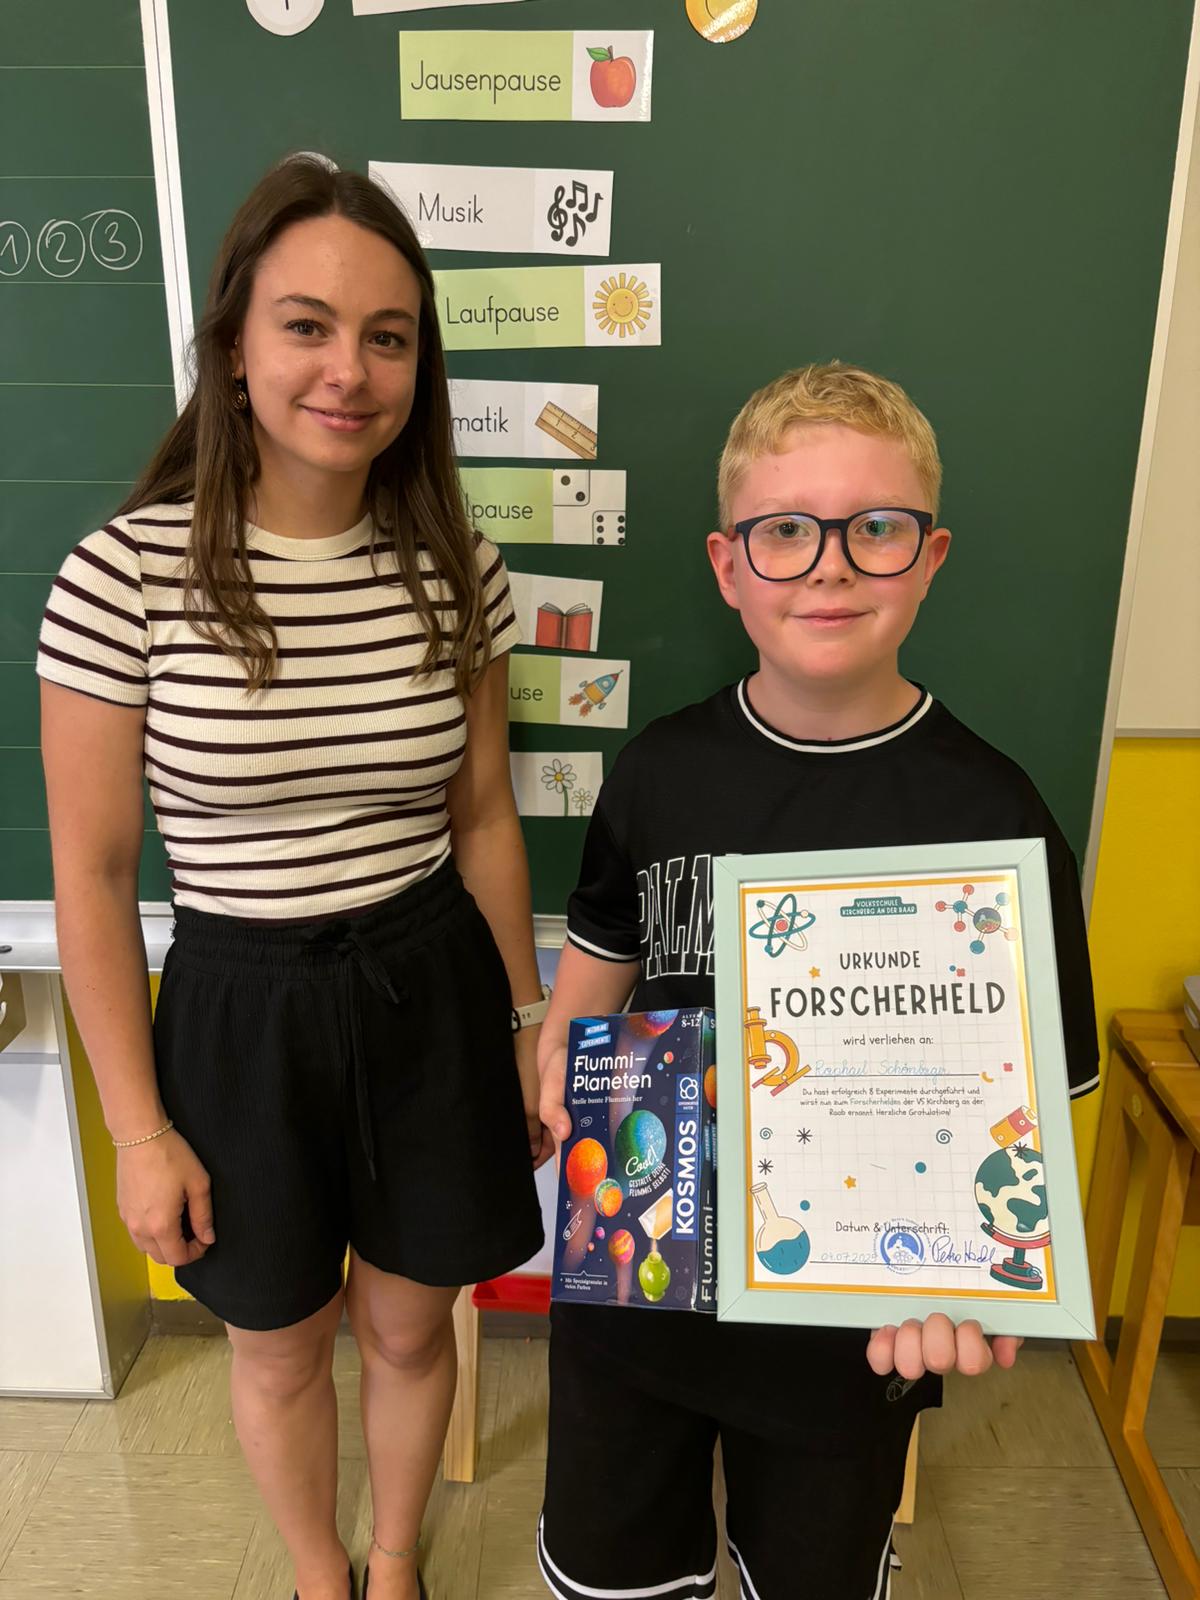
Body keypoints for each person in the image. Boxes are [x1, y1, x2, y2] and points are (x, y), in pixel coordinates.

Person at [38, 154, 550, 1600]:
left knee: (411, 1324)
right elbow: (91, 874)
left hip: (427, 983)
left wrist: (526, 1023)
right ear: (235, 347)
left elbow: (485, 821)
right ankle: (321, 1578)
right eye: (308, 326)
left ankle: (393, 1565)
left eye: (389, 337)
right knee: (275, 1343)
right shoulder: (123, 578)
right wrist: (138, 1130)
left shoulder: (458, 565)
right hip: (239, 1006)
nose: (350, 371)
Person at [536, 361, 1099, 1600]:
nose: (830, 567)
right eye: (785, 531)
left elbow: (1031, 1116)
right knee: (616, 1577)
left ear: (930, 556)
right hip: (639, 1288)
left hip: (851, 1335)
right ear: (728, 565)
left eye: (875, 529)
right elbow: (600, 961)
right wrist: (563, 1063)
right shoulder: (656, 772)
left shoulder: (993, 818)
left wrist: (981, 1277)